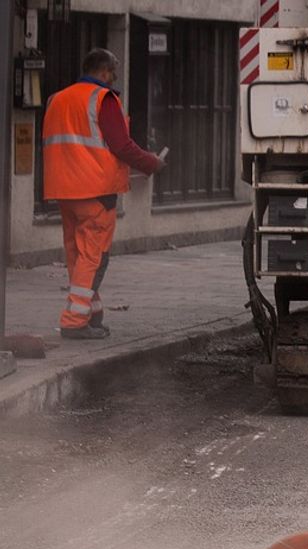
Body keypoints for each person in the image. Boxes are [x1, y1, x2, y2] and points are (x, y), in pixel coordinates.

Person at [42, 48, 165, 339]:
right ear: (104, 71)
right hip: (96, 190)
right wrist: (152, 163)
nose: (115, 79)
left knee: (77, 254)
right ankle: (74, 322)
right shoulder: (103, 99)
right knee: (94, 257)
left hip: (64, 189)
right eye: (114, 72)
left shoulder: (57, 99)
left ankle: (91, 312)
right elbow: (121, 146)